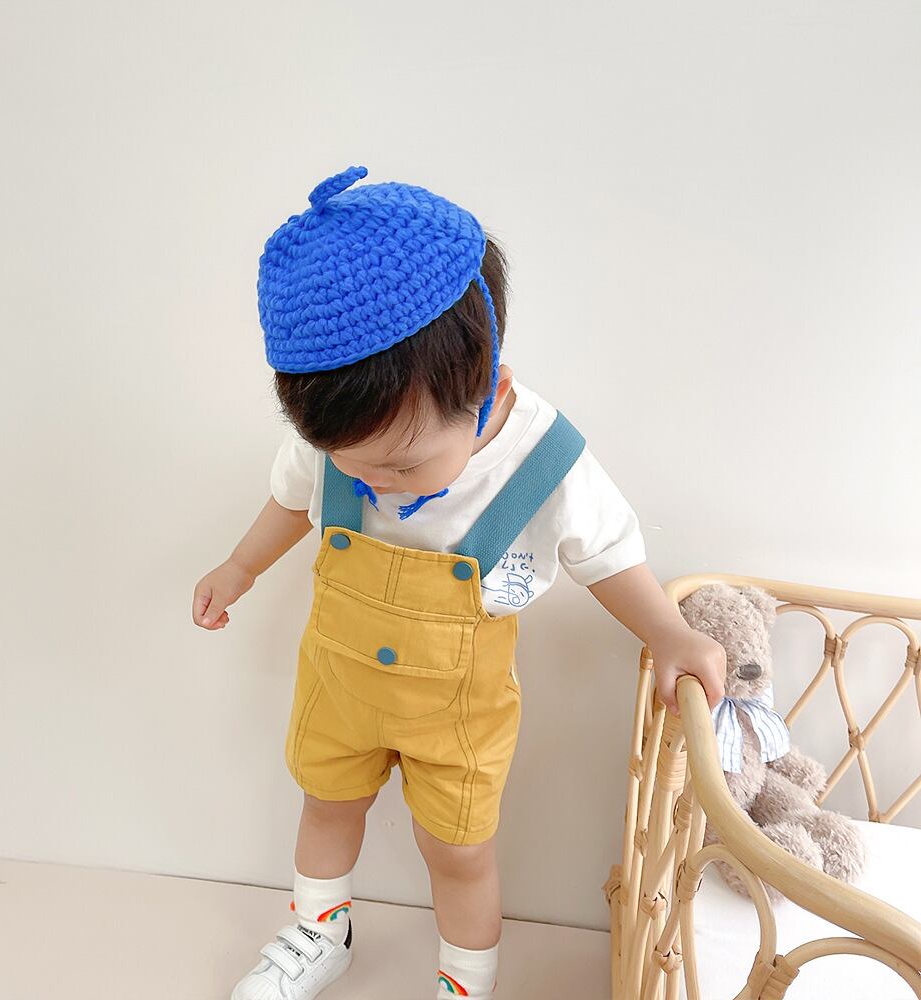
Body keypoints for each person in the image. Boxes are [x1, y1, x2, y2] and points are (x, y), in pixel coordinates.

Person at [192, 165, 726, 1000]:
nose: (377, 485)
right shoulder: (344, 434)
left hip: (459, 713)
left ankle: (465, 979)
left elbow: (607, 555)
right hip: (339, 680)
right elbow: (292, 501)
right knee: (326, 804)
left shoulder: (543, 460)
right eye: (352, 466)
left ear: (487, 393)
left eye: (403, 466)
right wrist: (239, 568)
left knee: (458, 849)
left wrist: (670, 633)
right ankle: (319, 930)